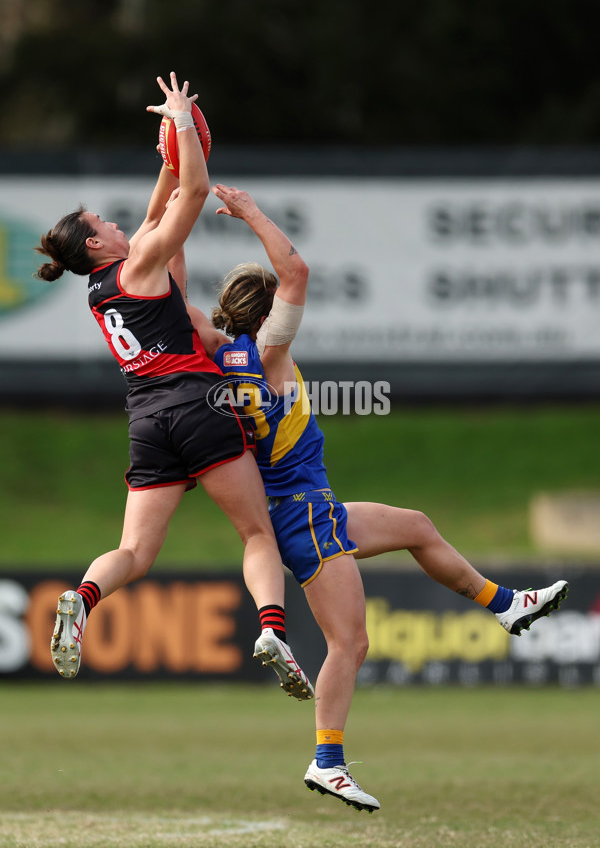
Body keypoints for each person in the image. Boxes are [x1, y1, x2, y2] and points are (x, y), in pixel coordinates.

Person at [184, 183, 569, 813]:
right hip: (304, 513)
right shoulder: (270, 354)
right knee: (350, 643)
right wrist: (251, 213)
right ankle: (327, 761)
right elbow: (297, 269)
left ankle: (507, 605)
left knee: (416, 526)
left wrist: (174, 203)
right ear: (267, 311)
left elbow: (175, 299)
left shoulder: (215, 352)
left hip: (301, 511)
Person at [33, 73, 312, 702]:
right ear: (98, 243)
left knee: (133, 550)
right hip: (199, 406)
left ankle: (81, 598)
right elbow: (192, 191)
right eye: (102, 220)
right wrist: (183, 123)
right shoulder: (140, 264)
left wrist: (164, 157)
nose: (114, 221)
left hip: (146, 421)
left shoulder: (101, 290)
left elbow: (158, 211)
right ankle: (272, 629)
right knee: (256, 534)